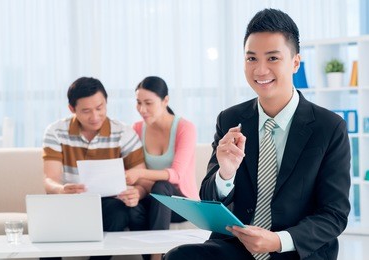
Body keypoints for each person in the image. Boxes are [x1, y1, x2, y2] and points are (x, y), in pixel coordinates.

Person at [165, 8, 350, 260]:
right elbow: (208, 200)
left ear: (295, 62)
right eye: (251, 59)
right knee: (180, 256)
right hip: (237, 246)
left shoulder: (329, 127)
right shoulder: (230, 120)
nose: (260, 70)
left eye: (273, 58)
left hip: (295, 250)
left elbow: (334, 214)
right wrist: (225, 173)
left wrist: (276, 241)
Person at [42, 76, 153, 234]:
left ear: (106, 103)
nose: (94, 117)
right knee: (48, 217)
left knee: (118, 213)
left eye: (99, 108)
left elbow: (143, 181)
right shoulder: (55, 132)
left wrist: (138, 193)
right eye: (86, 111)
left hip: (109, 201)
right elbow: (49, 180)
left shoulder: (123, 133)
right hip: (69, 199)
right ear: (72, 109)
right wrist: (61, 189)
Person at [126, 76, 198, 260]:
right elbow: (135, 177)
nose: (142, 109)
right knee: (133, 207)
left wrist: (140, 174)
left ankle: (157, 257)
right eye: (138, 102)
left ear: (165, 100)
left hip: (181, 204)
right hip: (152, 199)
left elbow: (176, 175)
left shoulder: (185, 128)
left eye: (148, 103)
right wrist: (138, 187)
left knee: (162, 186)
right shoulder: (136, 129)